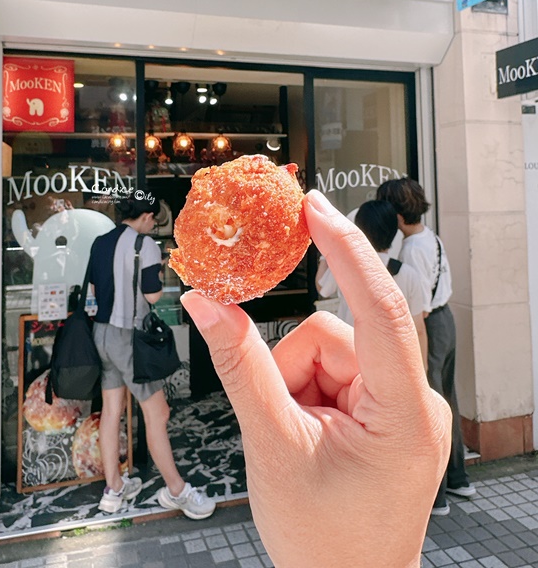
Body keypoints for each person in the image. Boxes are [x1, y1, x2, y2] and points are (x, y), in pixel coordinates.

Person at [181, 190, 451, 568]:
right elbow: (418, 325)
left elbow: (323, 289)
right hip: (356, 378)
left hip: (345, 370)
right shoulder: (407, 272)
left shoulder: (347, 272)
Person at [89, 194, 216, 519]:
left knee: (111, 412)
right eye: (152, 218)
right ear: (146, 216)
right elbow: (153, 294)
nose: (152, 223)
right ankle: (178, 491)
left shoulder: (100, 242)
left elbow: (93, 288)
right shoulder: (144, 245)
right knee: (157, 414)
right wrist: (158, 270)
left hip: (101, 334)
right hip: (129, 337)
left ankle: (113, 490)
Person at [376, 177, 475, 515]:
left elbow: (417, 303)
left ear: (396, 214)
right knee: (447, 399)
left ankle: (438, 496)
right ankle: (458, 478)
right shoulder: (428, 236)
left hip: (429, 326)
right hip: (445, 322)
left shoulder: (411, 250)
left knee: (429, 408)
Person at [354, 200, 428, 369]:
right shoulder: (409, 274)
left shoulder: (347, 266)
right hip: (397, 362)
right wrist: (422, 370)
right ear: (394, 230)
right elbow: (419, 329)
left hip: (355, 357)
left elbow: (322, 286)